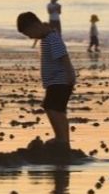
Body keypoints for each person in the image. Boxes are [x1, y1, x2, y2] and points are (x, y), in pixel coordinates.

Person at [16, 11, 76, 149]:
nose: (30, 37)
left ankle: (62, 139)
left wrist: (70, 75)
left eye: (29, 33)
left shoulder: (52, 38)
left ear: (35, 25)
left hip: (60, 80)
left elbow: (64, 57)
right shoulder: (46, 37)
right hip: (55, 81)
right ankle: (63, 139)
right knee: (57, 109)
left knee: (53, 108)